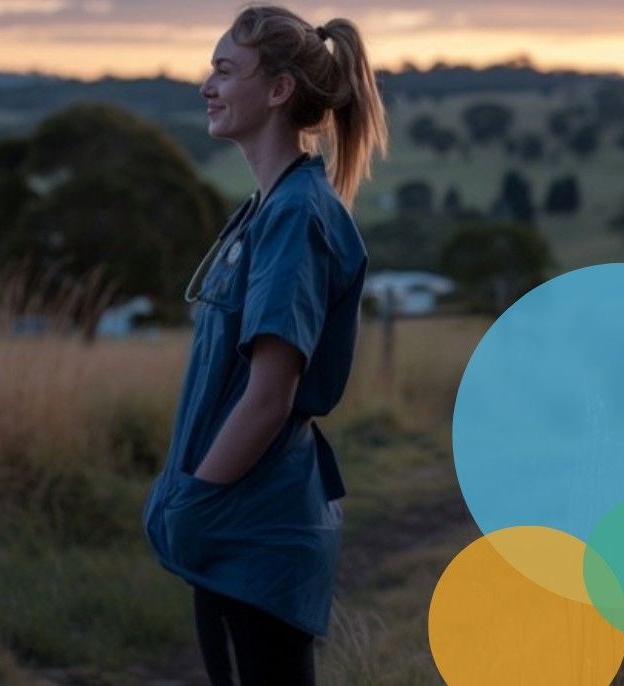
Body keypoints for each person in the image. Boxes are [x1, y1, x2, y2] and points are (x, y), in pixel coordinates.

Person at [141, 5, 388, 685]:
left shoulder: (295, 216)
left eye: (225, 70)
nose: (206, 86)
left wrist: (194, 498)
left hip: (252, 529)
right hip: (233, 524)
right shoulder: (266, 207)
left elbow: (269, 397)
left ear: (279, 90)